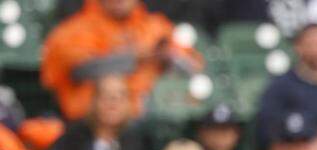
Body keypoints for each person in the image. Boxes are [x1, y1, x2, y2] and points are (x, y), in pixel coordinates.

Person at [40, 0, 203, 120]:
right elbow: (78, 70)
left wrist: (170, 57)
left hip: (152, 117)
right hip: (92, 123)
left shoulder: (155, 26)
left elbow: (193, 66)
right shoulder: (75, 29)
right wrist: (135, 57)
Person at [255, 23, 317, 147]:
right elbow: (268, 129)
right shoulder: (281, 85)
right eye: (312, 44)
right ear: (298, 47)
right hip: (298, 149)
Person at [39, 74, 152, 150]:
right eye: (106, 96)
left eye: (120, 97)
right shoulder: (73, 137)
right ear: (94, 101)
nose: (112, 103)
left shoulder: (133, 141)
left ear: (128, 105)